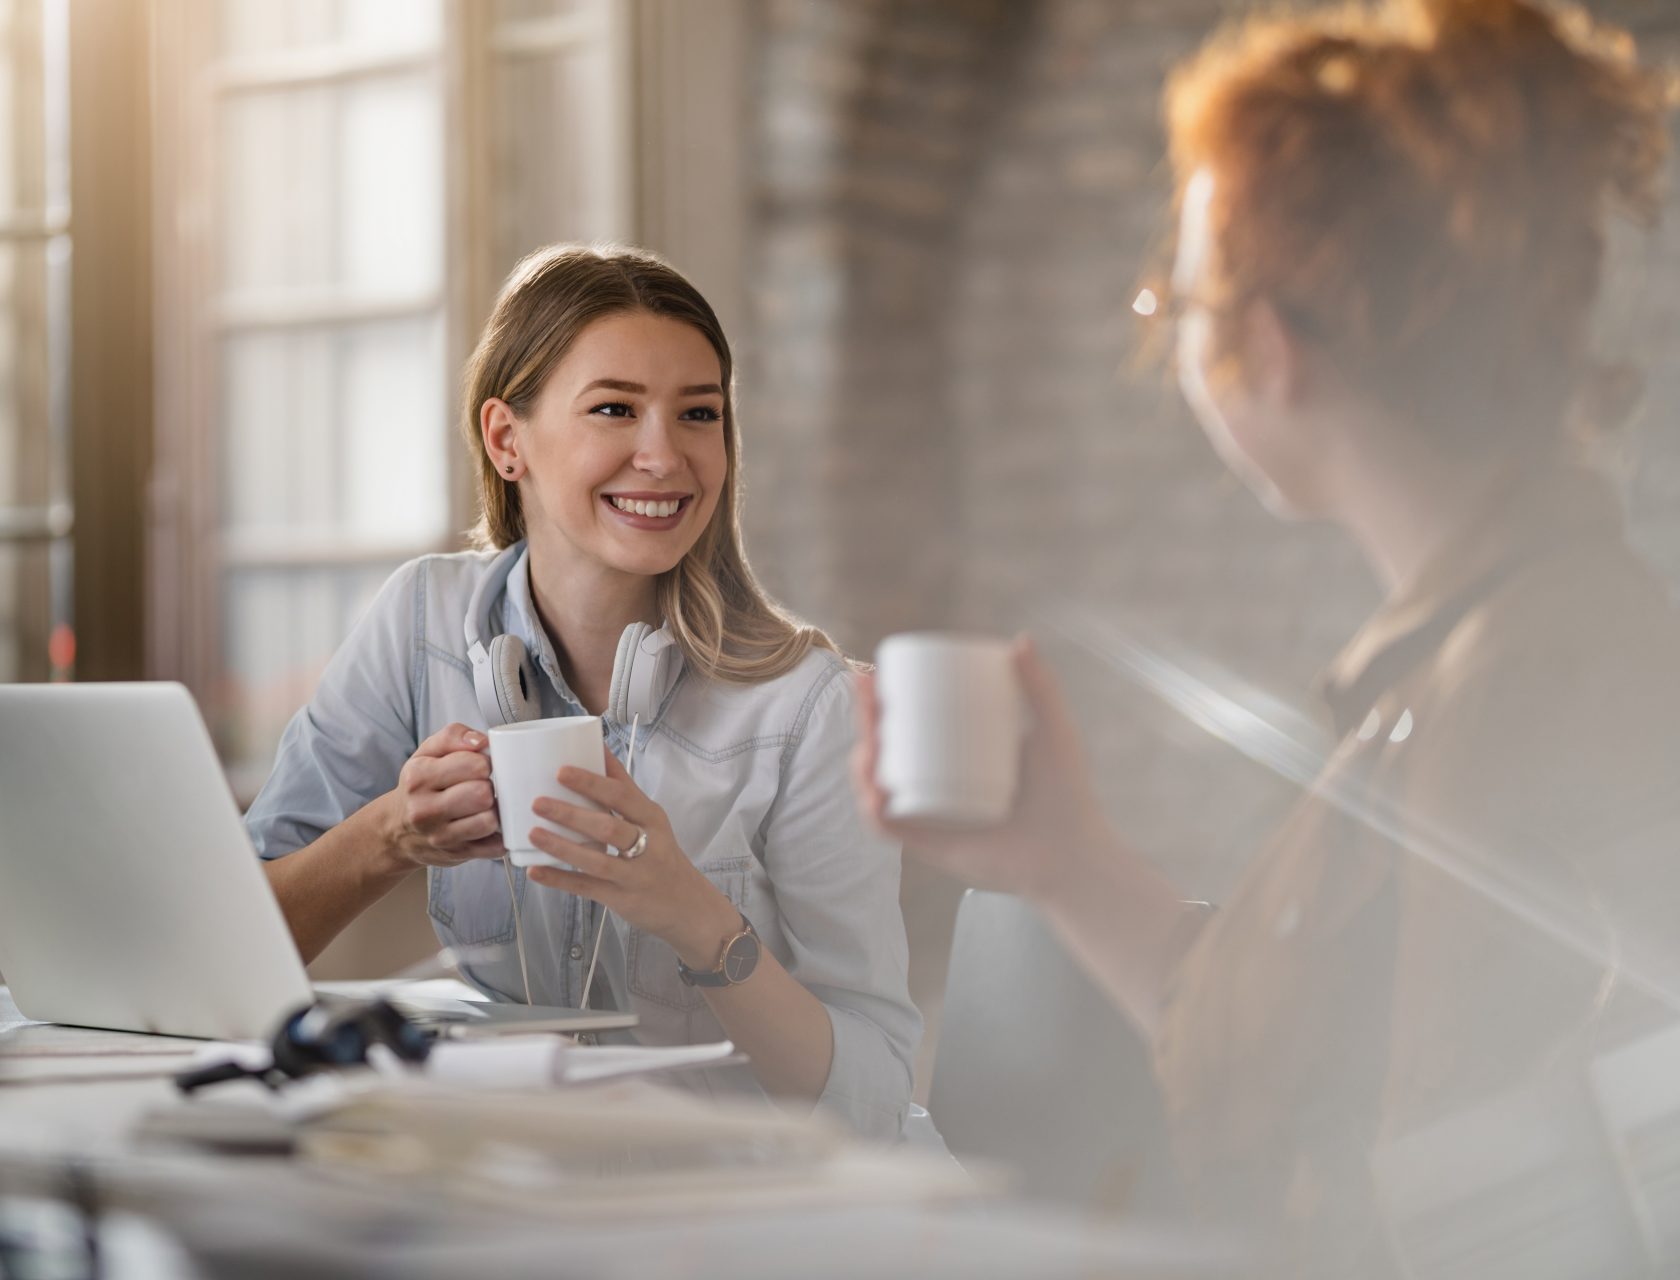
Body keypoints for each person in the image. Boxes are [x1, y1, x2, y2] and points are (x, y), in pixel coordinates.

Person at [855, 0, 1680, 1267]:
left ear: (1272, 346)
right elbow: (1292, 1066)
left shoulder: (1525, 686)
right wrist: (1063, 857)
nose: (1173, 334)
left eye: (1176, 297)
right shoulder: (1484, 647)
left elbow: (1432, 1233)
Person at [248, 244, 918, 1142]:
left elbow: (870, 1093)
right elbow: (238, 950)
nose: (665, 456)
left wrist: (693, 915)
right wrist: (387, 838)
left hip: (729, 1205)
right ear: (506, 439)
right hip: (510, 1180)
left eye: (698, 414)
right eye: (614, 409)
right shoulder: (421, 621)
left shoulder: (806, 706)